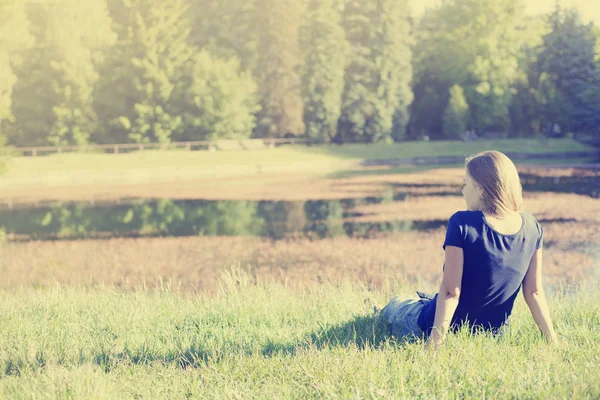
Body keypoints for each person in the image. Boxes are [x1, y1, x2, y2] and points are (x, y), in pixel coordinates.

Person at [380, 150, 558, 349]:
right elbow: (534, 292)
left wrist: (433, 346)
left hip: (432, 326)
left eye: (465, 183)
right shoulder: (533, 227)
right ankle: (422, 300)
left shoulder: (462, 223)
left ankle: (382, 308)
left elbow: (450, 293)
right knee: (426, 299)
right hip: (494, 336)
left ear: (481, 189)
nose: (462, 191)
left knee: (396, 304)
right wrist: (554, 342)